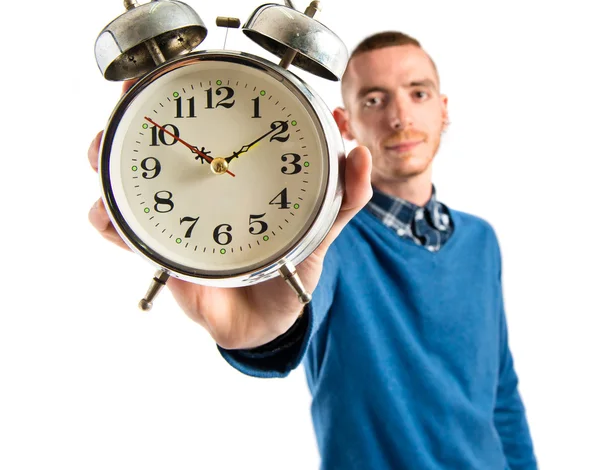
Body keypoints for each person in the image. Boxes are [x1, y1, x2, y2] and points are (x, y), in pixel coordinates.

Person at [88, 31, 538, 469]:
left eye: (418, 94)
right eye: (374, 100)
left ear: (443, 110)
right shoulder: (325, 240)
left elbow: (501, 393)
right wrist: (259, 333)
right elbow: (293, 313)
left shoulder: (482, 240)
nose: (400, 117)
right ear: (345, 123)